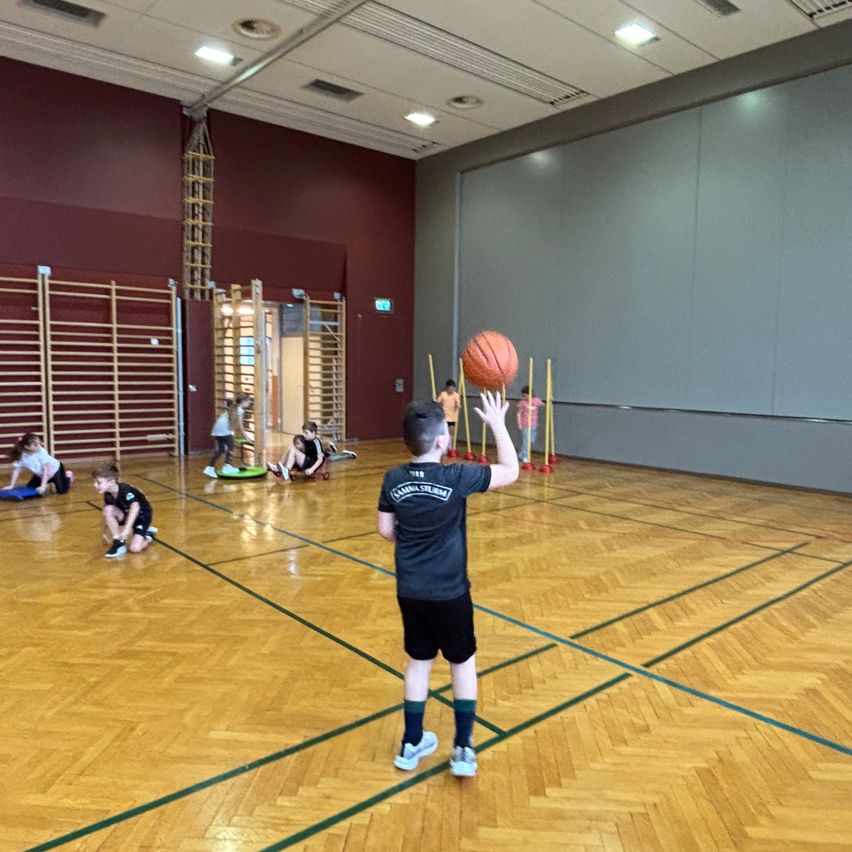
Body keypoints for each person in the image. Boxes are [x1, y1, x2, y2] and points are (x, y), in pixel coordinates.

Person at [377, 391, 518, 777]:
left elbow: (384, 529)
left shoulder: (393, 478)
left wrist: (412, 540)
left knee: (419, 662)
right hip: (451, 592)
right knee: (462, 663)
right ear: (442, 441)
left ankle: (411, 743)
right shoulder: (457, 476)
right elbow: (512, 470)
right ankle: (463, 748)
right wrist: (498, 425)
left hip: (410, 590)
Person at [92, 462, 157, 558]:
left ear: (111, 482)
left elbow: (135, 507)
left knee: (135, 549)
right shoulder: (108, 494)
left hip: (142, 517)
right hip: (126, 514)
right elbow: (107, 512)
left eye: (99, 482)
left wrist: (126, 529)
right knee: (108, 509)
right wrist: (104, 532)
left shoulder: (125, 490)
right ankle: (118, 542)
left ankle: (148, 535)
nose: (95, 485)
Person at [3, 432, 73, 495]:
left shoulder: (41, 452)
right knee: (30, 487)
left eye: (39, 443)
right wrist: (12, 485)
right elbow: (16, 471)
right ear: (26, 447)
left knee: (61, 491)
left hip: (55, 471)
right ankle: (48, 481)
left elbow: (45, 469)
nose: (39, 446)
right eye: (35, 445)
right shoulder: (21, 455)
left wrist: (43, 485)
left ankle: (68, 476)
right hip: (41, 474)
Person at [203, 394, 251, 478]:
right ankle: (226, 466)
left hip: (217, 427)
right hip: (223, 428)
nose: (250, 402)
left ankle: (211, 468)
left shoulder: (233, 407)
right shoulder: (240, 410)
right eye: (248, 401)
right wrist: (246, 437)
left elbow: (233, 423)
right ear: (243, 402)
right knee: (231, 447)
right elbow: (240, 426)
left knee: (221, 449)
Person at [516, 385, 544, 463]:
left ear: (530, 394)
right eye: (523, 396)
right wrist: (519, 424)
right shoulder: (522, 403)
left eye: (525, 395)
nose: (524, 397)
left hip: (533, 424)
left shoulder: (536, 400)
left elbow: (543, 404)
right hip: (525, 425)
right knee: (526, 441)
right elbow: (518, 414)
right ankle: (525, 456)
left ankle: (521, 453)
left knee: (532, 440)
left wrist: (549, 400)